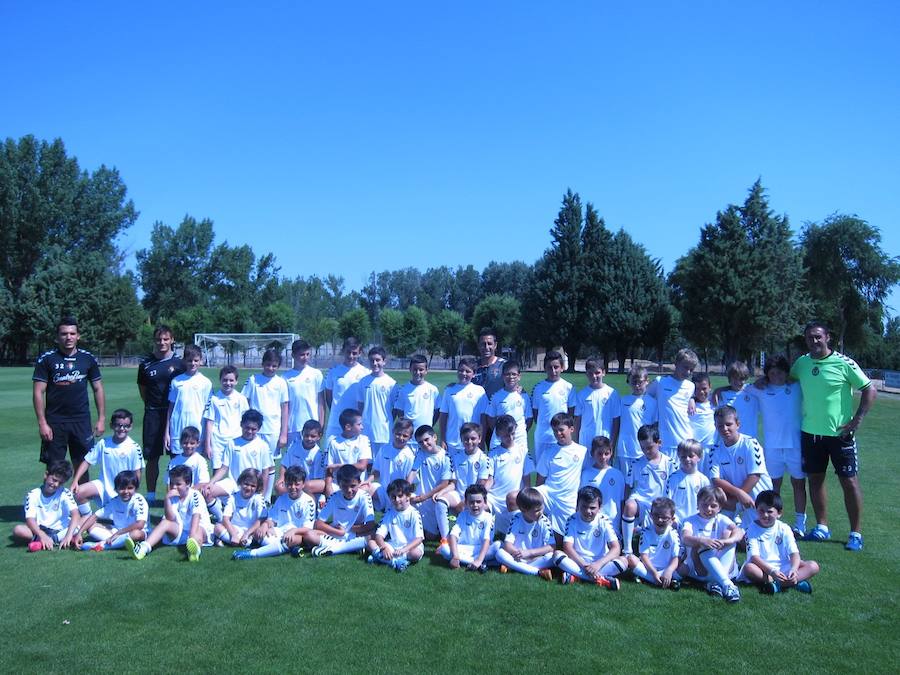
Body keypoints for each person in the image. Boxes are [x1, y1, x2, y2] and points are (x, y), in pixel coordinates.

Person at [789, 321, 875, 551]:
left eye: (818, 337)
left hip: (840, 435)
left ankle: (855, 533)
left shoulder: (844, 363)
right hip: (810, 434)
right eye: (809, 337)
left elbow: (869, 389)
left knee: (849, 481)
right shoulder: (802, 363)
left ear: (828, 338)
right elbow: (785, 380)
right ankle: (822, 527)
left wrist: (858, 419)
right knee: (815, 481)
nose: (814, 341)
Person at [32, 317, 105, 476]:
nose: (68, 337)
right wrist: (42, 423)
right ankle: (53, 500)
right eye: (64, 334)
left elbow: (98, 388)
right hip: (55, 421)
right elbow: (38, 392)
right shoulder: (47, 359)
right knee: (54, 467)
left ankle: (81, 501)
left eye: (72, 333)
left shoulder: (88, 358)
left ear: (78, 336)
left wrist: (101, 419)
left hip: (81, 420)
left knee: (83, 464)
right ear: (57, 337)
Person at [750, 355, 807, 536]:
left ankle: (800, 524)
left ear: (786, 373)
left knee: (798, 483)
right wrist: (720, 390)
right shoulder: (760, 389)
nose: (776, 376)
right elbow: (739, 388)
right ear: (767, 375)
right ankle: (772, 522)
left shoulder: (796, 387)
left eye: (780, 372)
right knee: (774, 486)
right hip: (772, 448)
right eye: (772, 373)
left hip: (795, 446)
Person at [508, 412, 586, 540]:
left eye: (561, 430)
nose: (558, 434)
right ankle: (518, 537)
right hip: (548, 494)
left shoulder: (582, 452)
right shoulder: (549, 452)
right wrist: (534, 500)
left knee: (562, 542)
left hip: (567, 499)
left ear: (571, 429)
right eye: (555, 431)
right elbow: (540, 480)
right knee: (513, 498)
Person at [127, 464, 213, 563]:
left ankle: (194, 551)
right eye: (172, 483)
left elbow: (196, 517)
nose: (174, 487)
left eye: (178, 484)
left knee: (199, 531)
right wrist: (167, 499)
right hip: (180, 530)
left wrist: (192, 537)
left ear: (188, 484)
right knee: (164, 523)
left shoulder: (195, 495)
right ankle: (143, 549)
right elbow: (170, 518)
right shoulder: (172, 496)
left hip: (199, 530)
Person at [737, 490, 819, 594]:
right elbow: (754, 557)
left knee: (813, 566)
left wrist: (793, 569)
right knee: (749, 569)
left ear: (779, 513)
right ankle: (793, 583)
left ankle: (780, 584)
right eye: (761, 511)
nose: (765, 515)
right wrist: (772, 571)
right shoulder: (752, 529)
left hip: (784, 566)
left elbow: (794, 553)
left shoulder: (784, 528)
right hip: (764, 568)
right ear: (756, 510)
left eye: (770, 511)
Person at [137, 324, 184, 500]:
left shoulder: (180, 363)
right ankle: (150, 495)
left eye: (165, 339)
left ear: (172, 340)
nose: (162, 342)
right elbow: (143, 390)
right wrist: (152, 405)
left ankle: (176, 494)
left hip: (175, 415)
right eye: (158, 339)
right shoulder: (146, 364)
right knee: (152, 457)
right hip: (153, 414)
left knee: (176, 455)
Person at [70, 409, 144, 516]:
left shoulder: (134, 447)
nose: (122, 429)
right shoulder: (103, 443)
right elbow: (87, 461)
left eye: (126, 426)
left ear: (130, 426)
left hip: (123, 489)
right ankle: (87, 517)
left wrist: (134, 490)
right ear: (112, 425)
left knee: (116, 522)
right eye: (118, 425)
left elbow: (137, 472)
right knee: (78, 493)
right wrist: (75, 481)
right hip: (103, 486)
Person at [677, 486, 744, 603]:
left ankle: (714, 583)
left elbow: (739, 532)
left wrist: (725, 542)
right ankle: (727, 585)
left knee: (730, 539)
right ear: (697, 504)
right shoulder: (690, 521)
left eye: (713, 506)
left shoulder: (722, 519)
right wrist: (702, 541)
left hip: (724, 567)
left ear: (720, 508)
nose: (708, 509)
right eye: (704, 504)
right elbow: (686, 538)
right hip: (699, 568)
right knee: (703, 546)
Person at [235, 465, 316, 560]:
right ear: (285, 484)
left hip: (297, 534)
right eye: (289, 484)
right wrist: (265, 525)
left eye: (297, 484)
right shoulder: (282, 499)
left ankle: (253, 553)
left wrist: (293, 531)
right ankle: (281, 548)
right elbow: (272, 519)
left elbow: (308, 528)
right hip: (280, 532)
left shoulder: (309, 501)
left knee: (290, 540)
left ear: (303, 484)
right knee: (260, 533)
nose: (293, 487)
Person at [555, 485, 629, 589]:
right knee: (557, 555)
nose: (588, 511)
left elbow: (616, 548)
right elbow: (567, 547)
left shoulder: (604, 521)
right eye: (584, 506)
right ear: (578, 505)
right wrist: (585, 566)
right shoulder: (572, 519)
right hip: (578, 562)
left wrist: (598, 564)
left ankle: (577, 577)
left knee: (624, 561)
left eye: (592, 508)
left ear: (600, 507)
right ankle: (601, 580)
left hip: (600, 564)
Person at [203, 410, 274, 513]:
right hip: (233, 483)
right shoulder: (232, 443)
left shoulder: (263, 446)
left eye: (253, 429)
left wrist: (262, 494)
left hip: (252, 486)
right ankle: (222, 519)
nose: (250, 431)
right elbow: (224, 468)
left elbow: (265, 473)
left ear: (259, 429)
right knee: (207, 492)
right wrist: (211, 482)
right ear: (241, 424)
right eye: (247, 428)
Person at [621, 424, 677, 555]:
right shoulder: (636, 463)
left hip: (661, 505)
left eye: (650, 447)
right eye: (643, 448)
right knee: (629, 506)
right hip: (642, 503)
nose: (646, 451)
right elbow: (628, 486)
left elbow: (674, 488)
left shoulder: (669, 463)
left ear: (659, 443)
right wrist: (625, 503)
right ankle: (627, 549)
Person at [708, 406, 773, 515]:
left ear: (738, 424)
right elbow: (716, 479)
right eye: (720, 426)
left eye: (728, 424)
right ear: (715, 426)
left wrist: (739, 497)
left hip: (758, 500)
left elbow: (755, 475)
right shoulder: (715, 450)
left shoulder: (751, 444)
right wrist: (738, 494)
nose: (724, 429)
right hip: (735, 500)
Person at [242, 348, 289, 499]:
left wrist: (283, 433)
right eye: (268, 364)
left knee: (269, 463)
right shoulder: (253, 379)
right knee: (253, 461)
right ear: (263, 364)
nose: (271, 368)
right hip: (254, 429)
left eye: (274, 365)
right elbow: (245, 402)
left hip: (272, 429)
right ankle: (251, 494)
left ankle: (266, 497)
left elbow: (285, 408)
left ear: (278, 366)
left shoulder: (281, 382)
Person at [436, 423, 492, 542]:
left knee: (483, 507)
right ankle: (445, 540)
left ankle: (478, 538)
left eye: (473, 438)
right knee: (440, 502)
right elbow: (453, 484)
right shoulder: (455, 457)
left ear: (480, 439)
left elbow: (480, 487)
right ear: (461, 439)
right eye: (466, 439)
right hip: (458, 494)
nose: (469, 442)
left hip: (474, 496)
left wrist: (466, 502)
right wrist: (441, 492)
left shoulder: (484, 458)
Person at [305, 464, 376, 557]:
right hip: (336, 534)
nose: (349, 490)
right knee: (309, 535)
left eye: (353, 486)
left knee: (376, 534)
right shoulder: (334, 497)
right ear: (339, 485)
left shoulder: (364, 496)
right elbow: (318, 524)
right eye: (345, 486)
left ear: (359, 483)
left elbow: (370, 524)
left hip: (355, 533)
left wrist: (354, 529)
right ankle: (354, 547)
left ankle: (335, 549)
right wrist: (339, 532)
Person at [14, 460, 81, 551]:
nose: (56, 484)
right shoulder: (33, 494)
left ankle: (52, 540)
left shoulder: (65, 493)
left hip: (60, 530)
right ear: (46, 475)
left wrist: (68, 536)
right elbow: (30, 519)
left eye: (60, 483)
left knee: (77, 525)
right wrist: (42, 535)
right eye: (54, 480)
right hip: (40, 530)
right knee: (18, 530)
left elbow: (75, 515)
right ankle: (52, 540)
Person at [75, 470, 148, 551]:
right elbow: (95, 516)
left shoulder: (139, 500)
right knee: (91, 527)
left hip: (134, 532)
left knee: (136, 534)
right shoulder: (114, 501)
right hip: (116, 532)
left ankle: (103, 546)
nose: (126, 491)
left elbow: (140, 525)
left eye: (130, 488)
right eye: (122, 488)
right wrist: (79, 533)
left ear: (136, 488)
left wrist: (118, 533)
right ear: (116, 489)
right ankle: (119, 543)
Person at [492, 487, 555, 580]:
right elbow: (507, 544)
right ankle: (538, 572)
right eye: (536, 511)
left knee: (552, 557)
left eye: (541, 509)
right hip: (518, 556)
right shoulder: (516, 518)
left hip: (536, 558)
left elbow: (552, 546)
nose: (540, 513)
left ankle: (512, 567)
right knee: (499, 553)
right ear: (523, 510)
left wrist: (529, 553)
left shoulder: (544, 521)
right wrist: (517, 553)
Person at [366, 478, 425, 572]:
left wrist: (404, 550)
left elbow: (419, 539)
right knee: (370, 543)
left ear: (408, 496)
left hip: (409, 547)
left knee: (415, 554)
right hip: (393, 546)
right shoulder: (389, 512)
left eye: (400, 496)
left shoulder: (414, 513)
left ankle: (380, 558)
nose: (397, 500)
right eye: (393, 497)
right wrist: (383, 548)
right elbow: (379, 535)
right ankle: (396, 562)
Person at [646, 348, 697, 455]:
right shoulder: (661, 382)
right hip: (666, 441)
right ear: (676, 363)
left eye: (691, 370)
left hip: (685, 438)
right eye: (685, 367)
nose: (688, 372)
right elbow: (644, 396)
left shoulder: (691, 386)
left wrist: (692, 398)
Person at [406, 424, 453, 541]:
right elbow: (413, 472)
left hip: (433, 498)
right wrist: (405, 491)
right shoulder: (421, 453)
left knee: (430, 536)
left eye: (427, 440)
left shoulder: (445, 456)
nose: (424, 444)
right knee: (401, 501)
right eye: (420, 442)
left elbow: (444, 483)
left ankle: (443, 536)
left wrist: (424, 497)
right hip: (420, 497)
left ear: (435, 437)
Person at [165, 344, 212, 456]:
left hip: (198, 431)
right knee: (177, 469)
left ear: (201, 360)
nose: (193, 363)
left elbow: (209, 412)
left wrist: (208, 438)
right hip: (178, 431)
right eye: (190, 360)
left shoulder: (206, 383)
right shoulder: (176, 381)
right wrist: (166, 432)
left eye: (196, 360)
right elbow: (170, 408)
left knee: (195, 467)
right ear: (184, 361)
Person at [437, 484, 495, 572]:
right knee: (444, 548)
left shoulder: (488, 517)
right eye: (471, 502)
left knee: (498, 546)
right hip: (463, 549)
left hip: (480, 549)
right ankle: (483, 563)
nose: (475, 505)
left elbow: (486, 540)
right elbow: (453, 535)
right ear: (466, 503)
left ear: (485, 502)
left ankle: (478, 562)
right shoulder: (463, 515)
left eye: (478, 502)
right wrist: (456, 556)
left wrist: (479, 559)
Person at [628, 496, 681, 590]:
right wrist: (654, 572)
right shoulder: (646, 532)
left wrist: (669, 571)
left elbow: (675, 558)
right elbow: (644, 557)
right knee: (631, 559)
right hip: (649, 569)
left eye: (665, 518)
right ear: (651, 515)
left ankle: (654, 579)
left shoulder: (673, 534)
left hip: (666, 570)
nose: (660, 520)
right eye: (656, 515)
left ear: (672, 520)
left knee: (686, 567)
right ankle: (662, 581)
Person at [531, 351, 574, 465]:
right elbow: (536, 414)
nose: (553, 371)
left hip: (561, 438)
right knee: (541, 471)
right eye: (550, 368)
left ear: (562, 368)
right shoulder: (538, 388)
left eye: (556, 367)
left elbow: (571, 414)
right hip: (543, 437)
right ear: (545, 368)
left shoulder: (568, 387)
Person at [283, 339, 326, 453]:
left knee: (312, 461)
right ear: (293, 355)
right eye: (302, 354)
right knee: (293, 461)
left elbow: (321, 402)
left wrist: (320, 426)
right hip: (293, 427)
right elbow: (285, 406)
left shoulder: (316, 374)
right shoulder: (285, 377)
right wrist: (284, 428)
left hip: (312, 426)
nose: (305, 357)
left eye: (307, 354)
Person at [572, 357, 621, 454]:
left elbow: (616, 421)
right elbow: (577, 421)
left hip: (605, 440)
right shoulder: (582, 395)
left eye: (597, 373)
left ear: (603, 372)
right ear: (586, 374)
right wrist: (576, 443)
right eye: (590, 373)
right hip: (585, 441)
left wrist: (612, 444)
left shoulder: (612, 394)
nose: (594, 376)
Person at [324, 337, 370, 440]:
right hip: (335, 422)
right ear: (343, 351)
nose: (351, 356)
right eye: (348, 352)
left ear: (359, 353)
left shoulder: (365, 373)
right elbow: (328, 396)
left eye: (354, 353)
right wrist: (337, 411)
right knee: (330, 453)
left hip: (356, 424)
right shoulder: (333, 371)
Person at [439, 357, 488, 453]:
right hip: (453, 442)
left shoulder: (479, 391)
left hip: (472, 442)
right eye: (461, 370)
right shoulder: (449, 390)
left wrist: (481, 440)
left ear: (473, 374)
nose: (464, 374)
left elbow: (483, 418)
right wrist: (443, 439)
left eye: (467, 371)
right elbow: (443, 416)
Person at [616, 365, 657, 478]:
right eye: (634, 382)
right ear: (629, 382)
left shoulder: (653, 402)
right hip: (625, 450)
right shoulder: (623, 401)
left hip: (643, 450)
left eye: (640, 382)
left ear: (647, 381)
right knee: (626, 482)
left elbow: (655, 427)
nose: (637, 385)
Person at [366, 418, 416, 511]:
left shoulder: (409, 456)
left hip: (398, 493)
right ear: (393, 431)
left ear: (410, 437)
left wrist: (401, 495)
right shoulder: (384, 449)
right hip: (383, 490)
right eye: (398, 434)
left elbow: (408, 481)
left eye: (405, 436)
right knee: (362, 490)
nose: (400, 438)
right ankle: (365, 520)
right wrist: (368, 481)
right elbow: (376, 471)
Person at [356, 346, 397, 458]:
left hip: (384, 432)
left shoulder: (391, 383)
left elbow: (395, 408)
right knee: (366, 464)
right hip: (366, 431)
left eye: (378, 360)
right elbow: (360, 406)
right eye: (372, 360)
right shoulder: (363, 382)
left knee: (383, 466)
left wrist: (385, 419)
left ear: (384, 361)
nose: (375, 363)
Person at [203, 365, 249, 465]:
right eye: (225, 380)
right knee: (217, 471)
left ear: (236, 381)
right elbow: (209, 423)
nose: (228, 383)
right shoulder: (214, 399)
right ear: (220, 380)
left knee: (237, 472)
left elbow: (246, 421)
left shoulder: (241, 399)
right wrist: (207, 445)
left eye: (231, 380)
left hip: (236, 440)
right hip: (217, 442)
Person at [579, 436, 626, 532]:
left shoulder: (618, 474)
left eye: (606, 453)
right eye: (599, 454)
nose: (603, 457)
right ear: (592, 453)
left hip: (612, 524)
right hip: (590, 522)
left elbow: (621, 502)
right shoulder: (586, 474)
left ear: (611, 453)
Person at [391, 354, 439, 445]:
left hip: (425, 436)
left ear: (426, 371)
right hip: (408, 437)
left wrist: (430, 425)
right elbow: (400, 411)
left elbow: (437, 410)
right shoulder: (404, 389)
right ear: (410, 369)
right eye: (415, 369)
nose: (418, 372)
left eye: (421, 370)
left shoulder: (432, 389)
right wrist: (405, 427)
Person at [485, 360, 532, 453]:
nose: (511, 377)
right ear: (502, 376)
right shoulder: (496, 396)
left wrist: (519, 432)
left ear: (519, 376)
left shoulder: (524, 396)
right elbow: (490, 418)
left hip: (519, 440)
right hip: (499, 441)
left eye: (514, 374)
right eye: (507, 374)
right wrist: (501, 432)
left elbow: (529, 418)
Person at [323, 409, 372, 496]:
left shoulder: (364, 440)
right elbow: (329, 469)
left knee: (373, 487)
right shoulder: (334, 442)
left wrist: (338, 466)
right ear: (348, 427)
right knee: (309, 486)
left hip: (358, 486)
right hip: (338, 485)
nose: (362, 427)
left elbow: (362, 466)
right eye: (359, 424)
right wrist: (328, 486)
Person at [215, 468, 267, 548]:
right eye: (246, 484)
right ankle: (238, 541)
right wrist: (233, 535)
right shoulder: (233, 497)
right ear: (241, 482)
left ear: (257, 487)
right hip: (235, 530)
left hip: (251, 532)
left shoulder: (258, 498)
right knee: (217, 527)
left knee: (261, 534)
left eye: (253, 486)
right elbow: (225, 518)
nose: (248, 488)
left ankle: (228, 541)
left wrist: (247, 533)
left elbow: (261, 519)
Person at [276, 419, 325, 499]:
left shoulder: (318, 454)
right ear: (302, 433)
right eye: (306, 435)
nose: (309, 438)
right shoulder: (294, 446)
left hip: (309, 483)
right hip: (294, 481)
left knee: (306, 486)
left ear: (319, 436)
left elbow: (317, 479)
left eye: (313, 436)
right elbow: (284, 464)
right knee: (279, 487)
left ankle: (312, 507)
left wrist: (301, 484)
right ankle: (283, 508)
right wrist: (281, 478)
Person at [665, 439, 710, 524]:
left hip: (697, 522)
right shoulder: (673, 478)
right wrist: (673, 519)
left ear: (699, 457)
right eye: (683, 456)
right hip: (676, 522)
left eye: (691, 456)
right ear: (678, 456)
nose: (687, 459)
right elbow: (668, 502)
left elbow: (707, 503)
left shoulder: (703, 480)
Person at [712, 361, 760, 439]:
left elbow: (765, 382)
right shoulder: (722, 394)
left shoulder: (753, 391)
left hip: (749, 439)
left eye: (741, 379)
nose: (738, 382)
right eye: (734, 378)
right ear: (729, 379)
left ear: (746, 378)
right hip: (729, 440)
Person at [689, 372, 715, 472]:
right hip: (694, 450)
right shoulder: (689, 405)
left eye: (704, 388)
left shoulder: (715, 403)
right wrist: (691, 398)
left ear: (710, 387)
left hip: (711, 449)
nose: (701, 392)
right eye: (697, 389)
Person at [472, 327, 507, 400]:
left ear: (495, 345)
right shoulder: (472, 366)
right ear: (478, 345)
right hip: (477, 410)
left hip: (496, 410)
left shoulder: (504, 365)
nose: (486, 347)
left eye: (489, 344)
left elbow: (513, 385)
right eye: (483, 344)